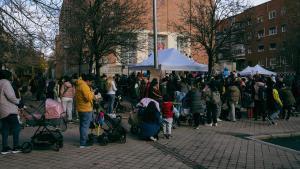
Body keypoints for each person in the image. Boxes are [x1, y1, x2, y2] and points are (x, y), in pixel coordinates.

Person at [0, 70, 22, 154]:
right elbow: (11, 96)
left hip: (2, 109)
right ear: (7, 76)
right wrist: (19, 102)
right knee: (16, 127)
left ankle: (5, 148)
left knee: (5, 128)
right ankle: (16, 146)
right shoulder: (6, 83)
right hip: (9, 109)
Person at [75, 74, 94, 148]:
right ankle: (83, 143)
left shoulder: (79, 84)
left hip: (81, 108)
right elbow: (88, 98)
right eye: (91, 82)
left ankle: (83, 140)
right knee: (85, 126)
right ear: (88, 81)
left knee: (82, 126)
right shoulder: (84, 86)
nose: (91, 83)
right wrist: (92, 92)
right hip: (86, 109)